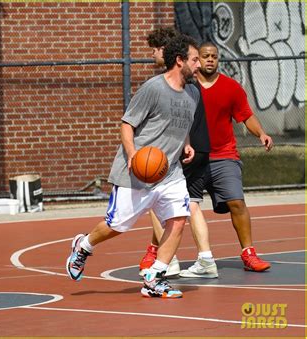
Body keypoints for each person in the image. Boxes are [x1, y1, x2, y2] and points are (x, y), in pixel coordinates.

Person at [66, 34, 201, 298]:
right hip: (139, 172)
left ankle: (154, 277)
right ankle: (83, 245)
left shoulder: (193, 93)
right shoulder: (153, 88)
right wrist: (132, 154)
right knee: (116, 226)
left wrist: (186, 143)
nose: (198, 65)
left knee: (178, 220)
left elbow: (181, 123)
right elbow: (127, 124)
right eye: (194, 59)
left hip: (170, 172)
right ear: (179, 60)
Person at [179, 42, 273, 276]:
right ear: (197, 59)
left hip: (224, 156)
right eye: (205, 56)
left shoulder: (231, 87)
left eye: (214, 56)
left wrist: (261, 133)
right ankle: (158, 253)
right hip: (193, 157)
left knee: (237, 203)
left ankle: (249, 253)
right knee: (178, 208)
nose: (210, 59)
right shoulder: (187, 87)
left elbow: (246, 115)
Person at [139, 28, 217, 279]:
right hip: (201, 146)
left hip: (181, 151)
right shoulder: (190, 82)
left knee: (155, 200)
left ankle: (168, 259)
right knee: (190, 204)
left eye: (155, 50)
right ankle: (206, 258)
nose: (152, 54)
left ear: (167, 52)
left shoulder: (172, 83)